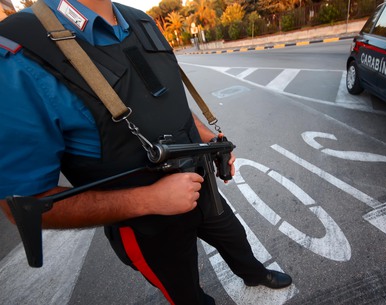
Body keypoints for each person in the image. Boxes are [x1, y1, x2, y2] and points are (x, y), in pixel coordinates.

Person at [0, 0, 292, 304]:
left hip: (200, 183)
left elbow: (166, 102)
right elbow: (24, 203)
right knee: (184, 290)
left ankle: (254, 273)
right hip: (147, 224)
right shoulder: (17, 47)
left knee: (234, 237)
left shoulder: (139, 20)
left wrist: (214, 140)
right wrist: (149, 200)